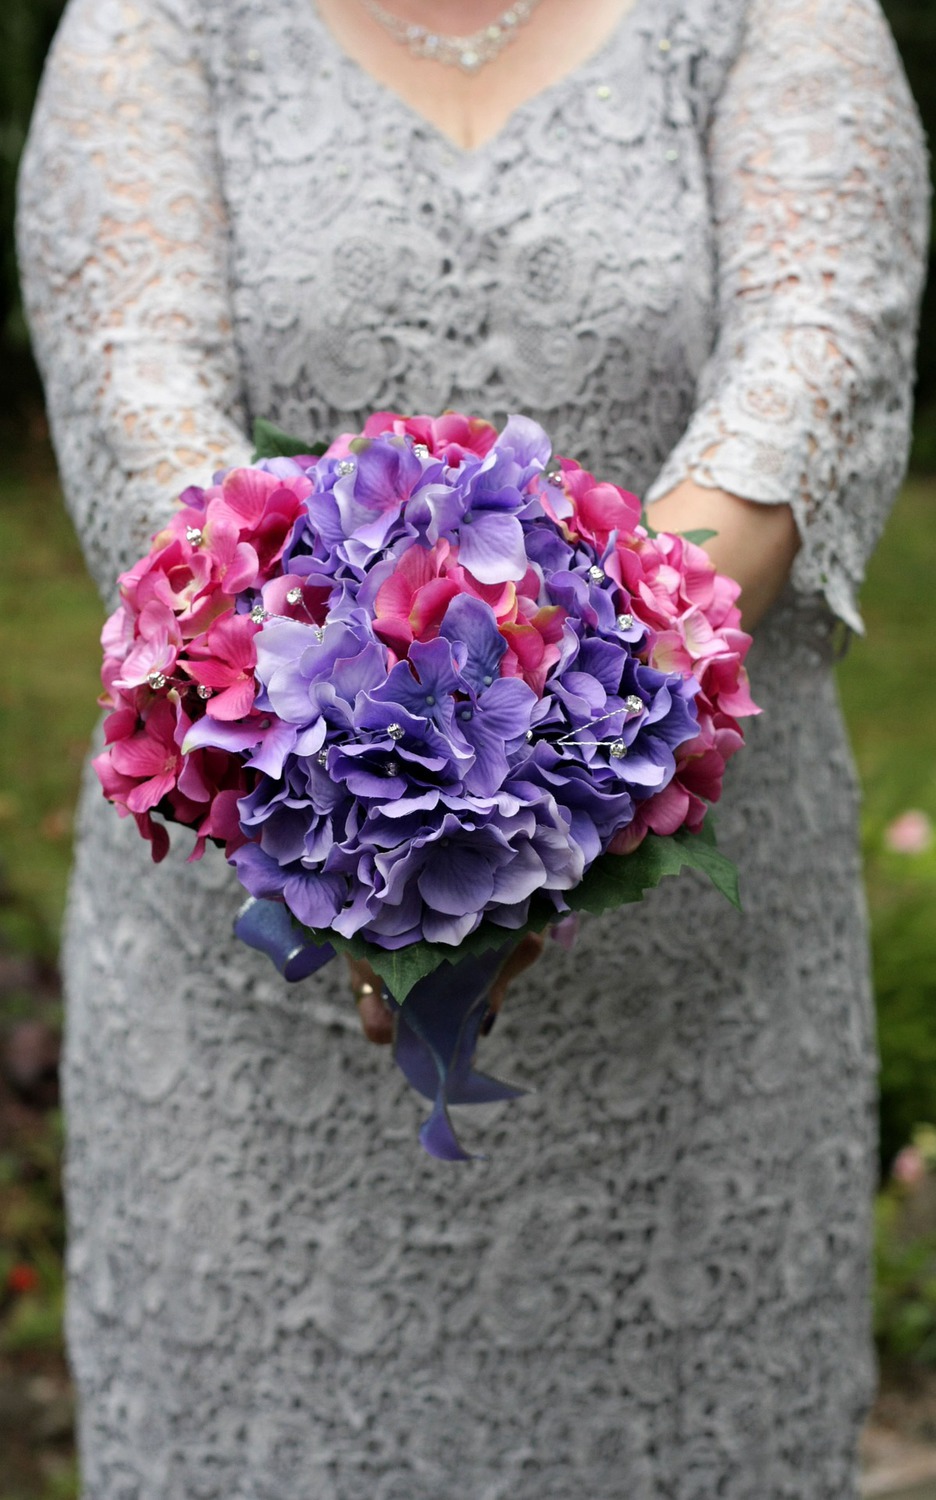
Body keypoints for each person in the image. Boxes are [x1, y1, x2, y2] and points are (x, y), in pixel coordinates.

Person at [16, 0, 929, 1494]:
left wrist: (570, 741)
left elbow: (816, 356)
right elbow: (139, 398)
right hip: (259, 1009)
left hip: (691, 1037)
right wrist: (356, 794)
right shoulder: (161, 20)